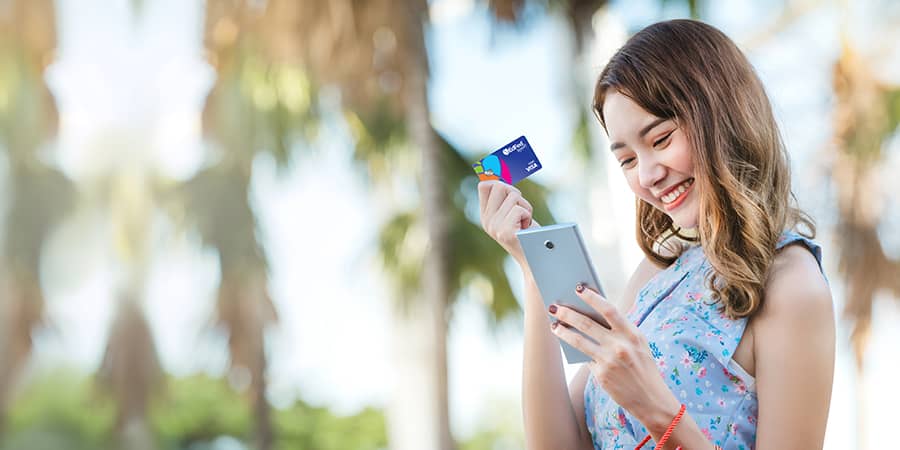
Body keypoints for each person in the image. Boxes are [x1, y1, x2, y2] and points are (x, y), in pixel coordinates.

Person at [477, 19, 834, 449]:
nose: (648, 176)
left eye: (661, 139)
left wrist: (657, 409)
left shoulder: (791, 283)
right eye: (627, 160)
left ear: (721, 116)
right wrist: (534, 272)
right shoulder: (655, 275)